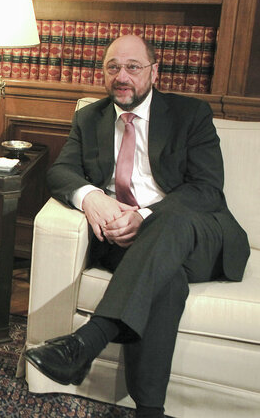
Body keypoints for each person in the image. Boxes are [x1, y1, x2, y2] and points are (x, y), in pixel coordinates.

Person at [24, 35, 249, 417]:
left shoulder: (190, 114)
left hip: (197, 235)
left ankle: (86, 343)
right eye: (113, 67)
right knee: (167, 280)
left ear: (153, 71)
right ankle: (149, 410)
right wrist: (91, 197)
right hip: (131, 245)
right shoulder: (89, 117)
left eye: (132, 67)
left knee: (170, 217)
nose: (122, 76)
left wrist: (144, 216)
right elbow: (62, 170)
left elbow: (206, 189)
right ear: (103, 74)